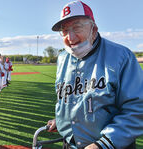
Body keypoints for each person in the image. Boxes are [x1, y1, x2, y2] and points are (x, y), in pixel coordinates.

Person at [47, 1, 143, 149]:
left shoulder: (121, 56)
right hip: (70, 144)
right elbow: (66, 99)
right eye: (65, 30)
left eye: (77, 27)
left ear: (94, 28)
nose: (70, 37)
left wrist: (104, 144)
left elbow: (137, 108)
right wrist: (61, 120)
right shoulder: (62, 57)